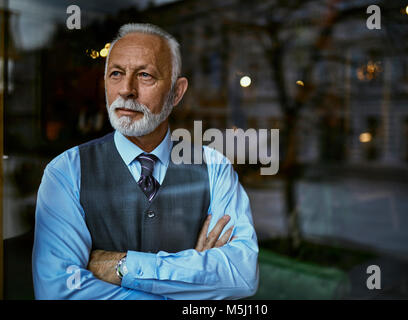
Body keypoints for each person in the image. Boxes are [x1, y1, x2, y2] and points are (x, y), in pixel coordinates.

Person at [32, 23, 259, 300]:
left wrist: (122, 266)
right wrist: (192, 281)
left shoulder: (215, 168)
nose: (126, 90)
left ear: (176, 92)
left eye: (145, 75)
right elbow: (58, 292)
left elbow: (241, 274)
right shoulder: (65, 172)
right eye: (116, 74)